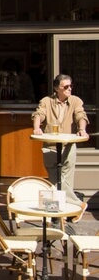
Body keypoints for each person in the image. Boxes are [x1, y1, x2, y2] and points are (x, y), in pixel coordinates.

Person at [32, 74, 90, 221]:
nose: (69, 89)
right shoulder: (46, 101)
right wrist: (37, 127)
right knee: (53, 181)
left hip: (68, 146)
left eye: (71, 86)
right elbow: (39, 114)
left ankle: (72, 208)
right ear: (57, 88)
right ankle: (64, 211)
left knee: (64, 179)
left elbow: (80, 116)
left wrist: (82, 129)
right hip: (50, 146)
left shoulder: (75, 101)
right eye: (66, 87)